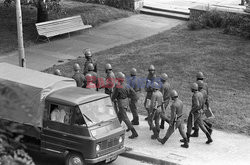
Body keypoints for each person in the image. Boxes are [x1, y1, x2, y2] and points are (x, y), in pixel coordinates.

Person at [111, 72, 138, 139]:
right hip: (126, 102)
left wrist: (112, 99)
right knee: (119, 116)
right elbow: (133, 93)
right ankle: (116, 129)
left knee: (125, 118)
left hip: (121, 103)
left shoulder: (117, 86)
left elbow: (114, 95)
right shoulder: (127, 85)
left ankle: (134, 132)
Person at [191, 72, 212, 137]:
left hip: (200, 104)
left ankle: (206, 128)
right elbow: (207, 95)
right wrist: (208, 106)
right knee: (199, 118)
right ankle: (207, 126)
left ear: (197, 78)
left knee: (197, 118)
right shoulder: (205, 85)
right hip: (205, 103)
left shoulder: (197, 85)